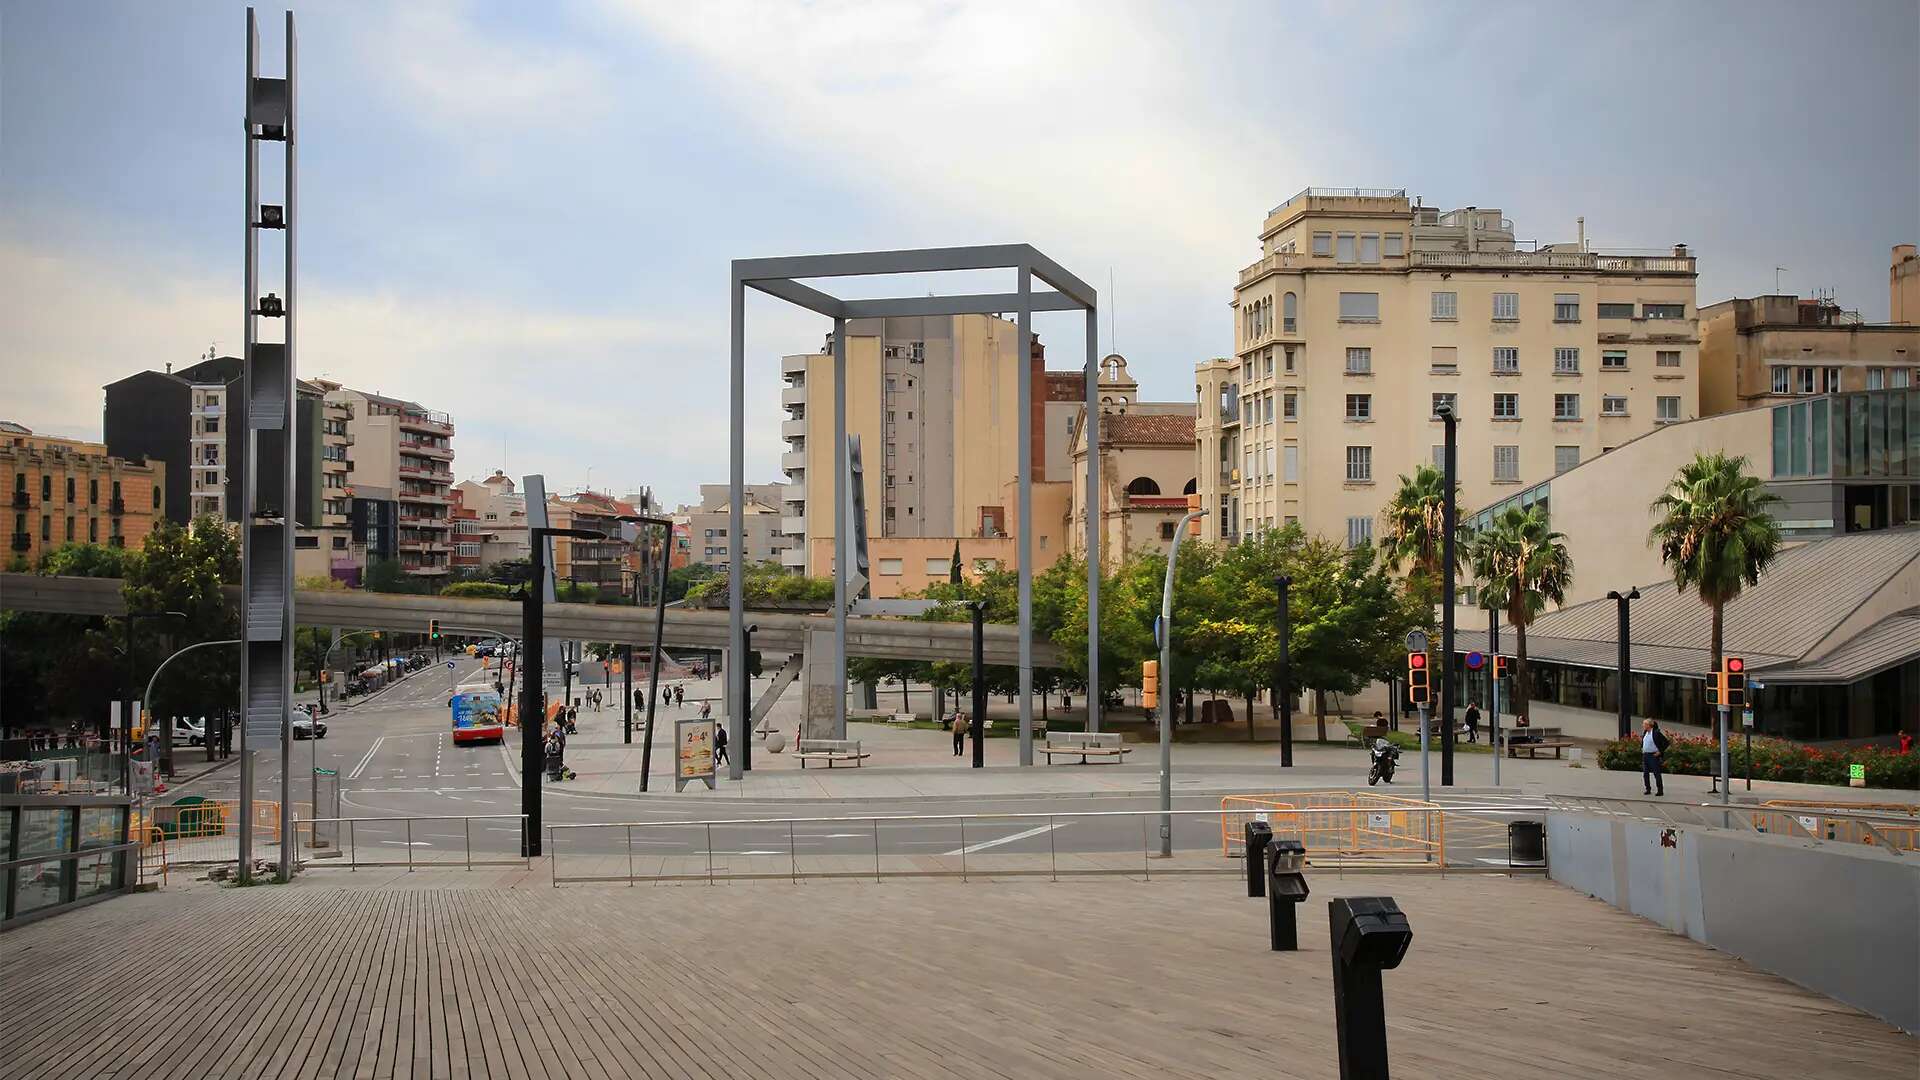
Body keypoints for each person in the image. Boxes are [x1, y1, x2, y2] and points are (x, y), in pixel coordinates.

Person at [1641, 718, 1669, 796]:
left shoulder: (1656, 733)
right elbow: (1644, 741)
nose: (1643, 725)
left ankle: (1660, 790)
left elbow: (1666, 742)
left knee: (1656, 773)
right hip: (1645, 755)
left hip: (1653, 755)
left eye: (1644, 724)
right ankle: (1648, 789)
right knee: (1645, 773)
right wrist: (1642, 748)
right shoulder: (1645, 732)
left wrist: (1660, 751)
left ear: (1649, 725)